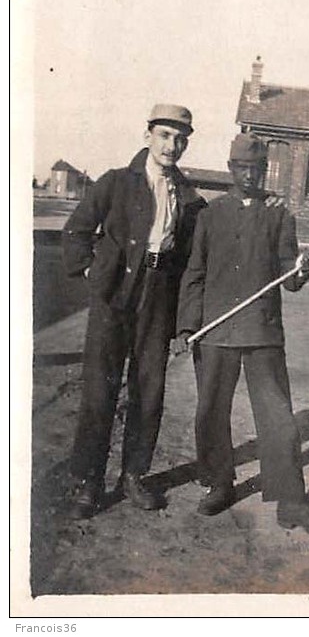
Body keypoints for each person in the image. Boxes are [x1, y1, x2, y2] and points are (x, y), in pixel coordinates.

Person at [174, 133, 309, 538]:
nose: (249, 175)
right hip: (215, 330)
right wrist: (187, 325)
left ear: (265, 170)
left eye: (257, 168)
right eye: (241, 167)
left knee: (278, 418)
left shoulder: (279, 215)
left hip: (262, 331)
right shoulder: (210, 216)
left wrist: (303, 267)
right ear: (230, 168)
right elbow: (194, 273)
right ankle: (219, 484)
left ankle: (292, 503)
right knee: (210, 412)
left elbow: (290, 273)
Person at [62, 104, 207, 519]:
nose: (172, 146)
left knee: (149, 389)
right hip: (114, 295)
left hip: (158, 296)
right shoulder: (115, 183)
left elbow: (188, 262)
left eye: (180, 139)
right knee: (99, 389)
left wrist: (182, 319)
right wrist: (91, 271)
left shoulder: (189, 197)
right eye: (164, 135)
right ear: (148, 136)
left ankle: (134, 476)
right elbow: (76, 231)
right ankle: (87, 482)